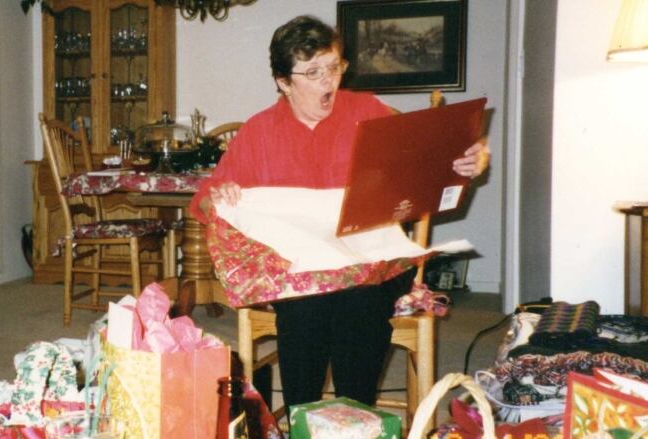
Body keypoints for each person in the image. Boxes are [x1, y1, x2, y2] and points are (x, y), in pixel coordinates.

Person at [190, 15, 490, 410]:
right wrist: (220, 194)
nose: (328, 80)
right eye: (313, 72)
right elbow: (204, 202)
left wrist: (472, 160)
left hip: (371, 264)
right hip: (302, 272)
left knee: (356, 302)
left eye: (334, 67)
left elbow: (430, 165)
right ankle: (304, 419)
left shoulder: (367, 112)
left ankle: (355, 417)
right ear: (284, 82)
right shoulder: (259, 132)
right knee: (306, 304)